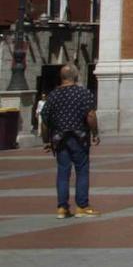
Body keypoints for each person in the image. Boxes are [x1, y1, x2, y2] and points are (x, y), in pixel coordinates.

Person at [40, 64, 100, 219]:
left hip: (59, 139)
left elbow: (44, 121)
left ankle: (62, 207)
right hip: (79, 137)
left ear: (62, 77)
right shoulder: (83, 93)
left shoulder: (53, 95)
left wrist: (46, 141)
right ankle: (82, 206)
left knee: (62, 172)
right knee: (82, 171)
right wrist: (95, 133)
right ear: (76, 76)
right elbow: (91, 115)